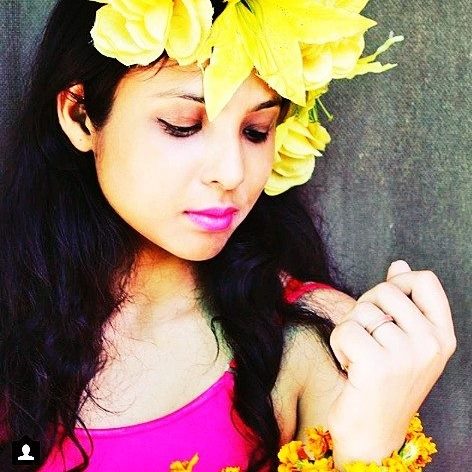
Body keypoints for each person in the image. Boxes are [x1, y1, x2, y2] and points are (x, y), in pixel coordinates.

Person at [0, 1, 456, 471]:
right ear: (80, 116)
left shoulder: (320, 339)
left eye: (256, 131)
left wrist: (369, 446)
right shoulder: (14, 312)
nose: (232, 172)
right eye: (183, 126)